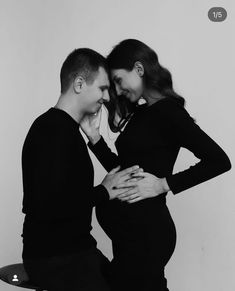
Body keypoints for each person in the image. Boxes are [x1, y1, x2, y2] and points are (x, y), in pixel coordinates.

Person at [80, 39, 232, 291]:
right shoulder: (142, 113)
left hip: (147, 235)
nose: (117, 90)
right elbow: (126, 171)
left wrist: (164, 184)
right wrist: (95, 139)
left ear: (139, 69)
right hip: (128, 235)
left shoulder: (168, 113)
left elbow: (219, 161)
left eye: (118, 80)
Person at [21, 48, 143, 291]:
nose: (107, 97)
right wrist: (104, 192)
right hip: (56, 257)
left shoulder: (63, 128)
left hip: (74, 251)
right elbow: (49, 205)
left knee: (128, 280)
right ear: (79, 84)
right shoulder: (53, 131)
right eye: (102, 88)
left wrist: (95, 138)